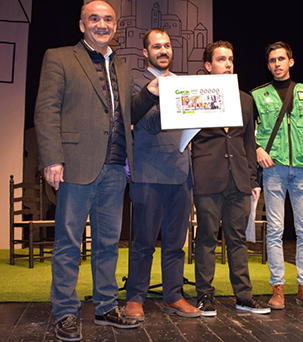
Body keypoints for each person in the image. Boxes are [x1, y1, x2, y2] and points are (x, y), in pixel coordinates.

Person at [34, 1, 160, 341]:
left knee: (107, 243)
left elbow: (126, 115)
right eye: (94, 18)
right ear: (81, 24)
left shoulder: (122, 66)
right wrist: (52, 158)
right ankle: (64, 311)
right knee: (68, 243)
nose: (101, 24)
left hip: (115, 165)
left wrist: (148, 95)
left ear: (115, 26)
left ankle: (106, 306)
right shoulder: (59, 57)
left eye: (108, 19)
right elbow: (46, 111)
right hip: (74, 164)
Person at [124, 28, 200, 320]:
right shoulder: (136, 84)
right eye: (156, 47)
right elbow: (147, 124)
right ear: (146, 52)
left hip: (180, 172)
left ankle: (173, 296)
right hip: (147, 173)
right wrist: (174, 101)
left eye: (167, 45)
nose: (163, 50)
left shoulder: (183, 84)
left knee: (175, 243)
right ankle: (135, 298)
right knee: (143, 242)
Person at [191, 41, 270, 316]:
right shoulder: (195, 96)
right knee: (206, 239)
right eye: (221, 59)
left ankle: (244, 297)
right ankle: (204, 296)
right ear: (208, 66)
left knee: (237, 239)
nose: (227, 64)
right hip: (207, 177)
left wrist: (253, 180)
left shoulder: (246, 99)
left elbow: (250, 143)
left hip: (239, 179)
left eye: (231, 60)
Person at [252, 41, 303, 310]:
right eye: (272, 60)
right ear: (268, 64)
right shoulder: (258, 95)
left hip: (302, 170)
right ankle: (278, 288)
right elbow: (247, 130)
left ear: (291, 62)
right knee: (275, 230)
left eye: (281, 59)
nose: (277, 64)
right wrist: (258, 148)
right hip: (274, 170)